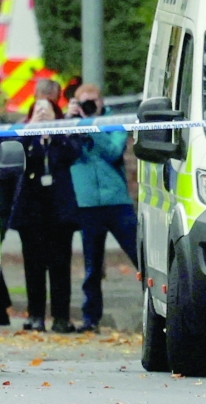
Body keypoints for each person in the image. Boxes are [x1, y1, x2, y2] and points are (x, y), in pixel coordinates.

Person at [66, 84, 139, 332]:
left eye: (93, 101)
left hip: (117, 201)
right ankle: (90, 318)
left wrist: (90, 124)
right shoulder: (70, 123)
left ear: (101, 102)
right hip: (87, 204)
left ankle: (157, 306)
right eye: (84, 101)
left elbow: (113, 150)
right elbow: (63, 153)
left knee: (140, 255)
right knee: (92, 266)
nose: (89, 105)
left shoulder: (113, 122)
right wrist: (71, 121)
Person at [9, 98, 81, 333]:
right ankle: (36, 316)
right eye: (37, 109)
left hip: (59, 211)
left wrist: (56, 132)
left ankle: (61, 317)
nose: (42, 112)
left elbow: (73, 154)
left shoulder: (64, 135)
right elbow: (16, 155)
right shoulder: (25, 135)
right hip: (31, 211)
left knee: (60, 266)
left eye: (46, 109)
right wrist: (32, 131)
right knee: (34, 266)